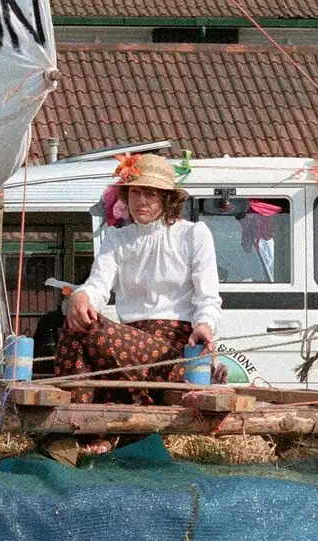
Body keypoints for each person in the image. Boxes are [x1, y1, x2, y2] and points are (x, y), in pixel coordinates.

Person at [55, 153, 222, 406]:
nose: (141, 202)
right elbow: (98, 284)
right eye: (135, 193)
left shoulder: (193, 234)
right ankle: (75, 422)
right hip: (128, 342)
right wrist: (82, 296)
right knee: (77, 322)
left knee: (91, 330)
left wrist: (204, 326)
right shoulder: (116, 238)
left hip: (174, 352)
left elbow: (207, 296)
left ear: (167, 199)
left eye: (150, 194)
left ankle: (70, 424)